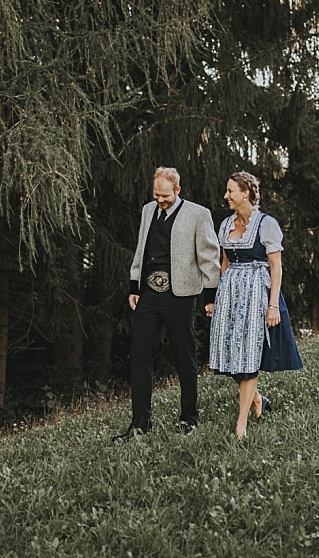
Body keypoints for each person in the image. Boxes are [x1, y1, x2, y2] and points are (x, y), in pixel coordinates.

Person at [113, 167, 221, 442]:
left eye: (165, 196)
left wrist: (211, 297)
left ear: (178, 190)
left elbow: (210, 257)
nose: (159, 200)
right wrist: (134, 286)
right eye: (156, 194)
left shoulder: (199, 214)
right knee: (139, 354)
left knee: (184, 357)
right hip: (149, 295)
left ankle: (189, 419)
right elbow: (141, 249)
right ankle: (140, 424)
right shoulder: (148, 210)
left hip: (182, 296)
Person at [208, 171, 303, 441]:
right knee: (228, 355)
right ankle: (258, 399)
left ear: (245, 193)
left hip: (256, 293)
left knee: (248, 358)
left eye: (230, 191)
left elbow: (276, 267)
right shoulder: (226, 224)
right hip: (230, 293)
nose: (226, 196)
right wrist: (216, 298)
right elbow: (224, 263)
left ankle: (241, 425)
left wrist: (273, 306)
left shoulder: (266, 224)